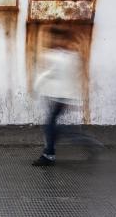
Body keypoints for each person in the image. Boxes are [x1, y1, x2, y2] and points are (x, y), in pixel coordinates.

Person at [32, 27, 88, 166]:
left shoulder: (57, 56)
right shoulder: (69, 55)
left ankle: (49, 155)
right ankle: (52, 151)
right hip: (58, 96)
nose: (53, 40)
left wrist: (36, 87)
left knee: (50, 126)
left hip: (59, 96)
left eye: (56, 38)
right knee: (52, 126)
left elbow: (49, 73)